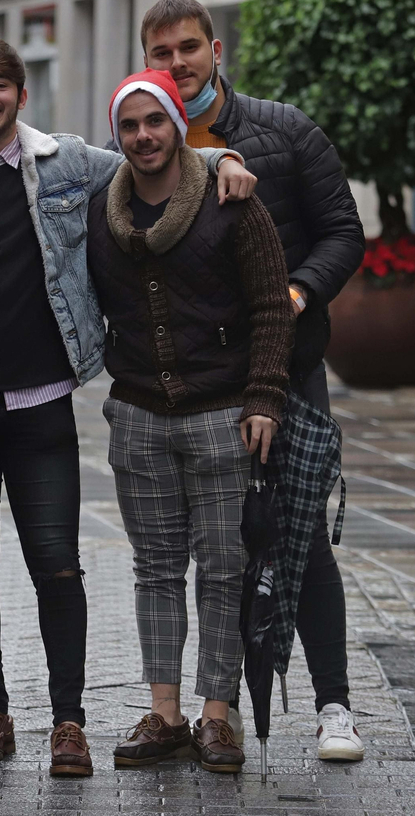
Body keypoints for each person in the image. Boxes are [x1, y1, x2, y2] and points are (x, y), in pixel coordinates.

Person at [0, 40, 250, 778]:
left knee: (58, 566)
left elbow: (160, 163)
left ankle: (68, 720)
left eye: (0, 85)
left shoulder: (70, 164)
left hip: (44, 407)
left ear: (20, 94)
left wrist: (224, 161)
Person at [140, 0, 367, 762]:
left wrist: (295, 294)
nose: (179, 64)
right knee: (218, 547)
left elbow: (343, 231)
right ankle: (216, 711)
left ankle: (334, 703)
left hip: (289, 365)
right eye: (162, 52)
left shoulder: (285, 131)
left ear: (217, 48)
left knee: (298, 532)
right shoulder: (144, 136)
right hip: (203, 382)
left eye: (190, 48)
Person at [92, 69, 294, 773]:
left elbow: (272, 305)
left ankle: (216, 715)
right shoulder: (103, 211)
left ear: (179, 126)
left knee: (224, 569)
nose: (143, 135)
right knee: (155, 570)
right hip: (139, 417)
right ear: (117, 135)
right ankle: (165, 713)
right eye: (129, 125)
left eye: (156, 121)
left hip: (223, 416)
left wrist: (264, 396)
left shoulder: (231, 204)